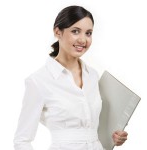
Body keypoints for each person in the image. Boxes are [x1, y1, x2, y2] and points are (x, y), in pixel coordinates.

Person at [13, 5, 128, 150]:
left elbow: (93, 127)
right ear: (57, 32)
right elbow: (22, 140)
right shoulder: (39, 81)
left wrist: (114, 137)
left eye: (88, 33)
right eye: (75, 31)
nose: (83, 40)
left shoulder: (92, 75)